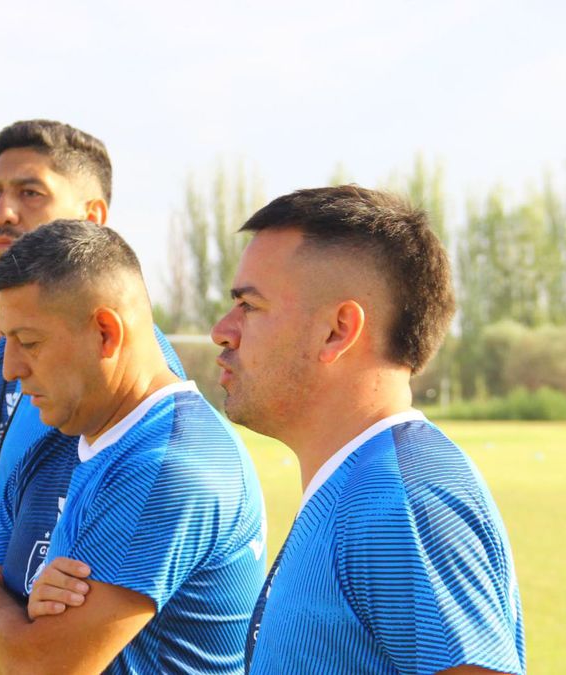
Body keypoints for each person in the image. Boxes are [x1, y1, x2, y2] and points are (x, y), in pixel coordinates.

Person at [210, 186, 526, 674]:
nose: (223, 330)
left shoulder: (399, 504)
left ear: (337, 330)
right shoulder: (360, 483)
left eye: (249, 306)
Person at [0, 220, 266, 674]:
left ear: (105, 333)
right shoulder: (54, 448)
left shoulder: (169, 467)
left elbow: (39, 668)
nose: (11, 368)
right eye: (6, 341)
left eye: (29, 342)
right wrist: (15, 618)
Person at [0, 119, 186, 577]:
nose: (2, 214)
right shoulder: (3, 357)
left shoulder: (122, 376)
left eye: (30, 193)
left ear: (91, 217)